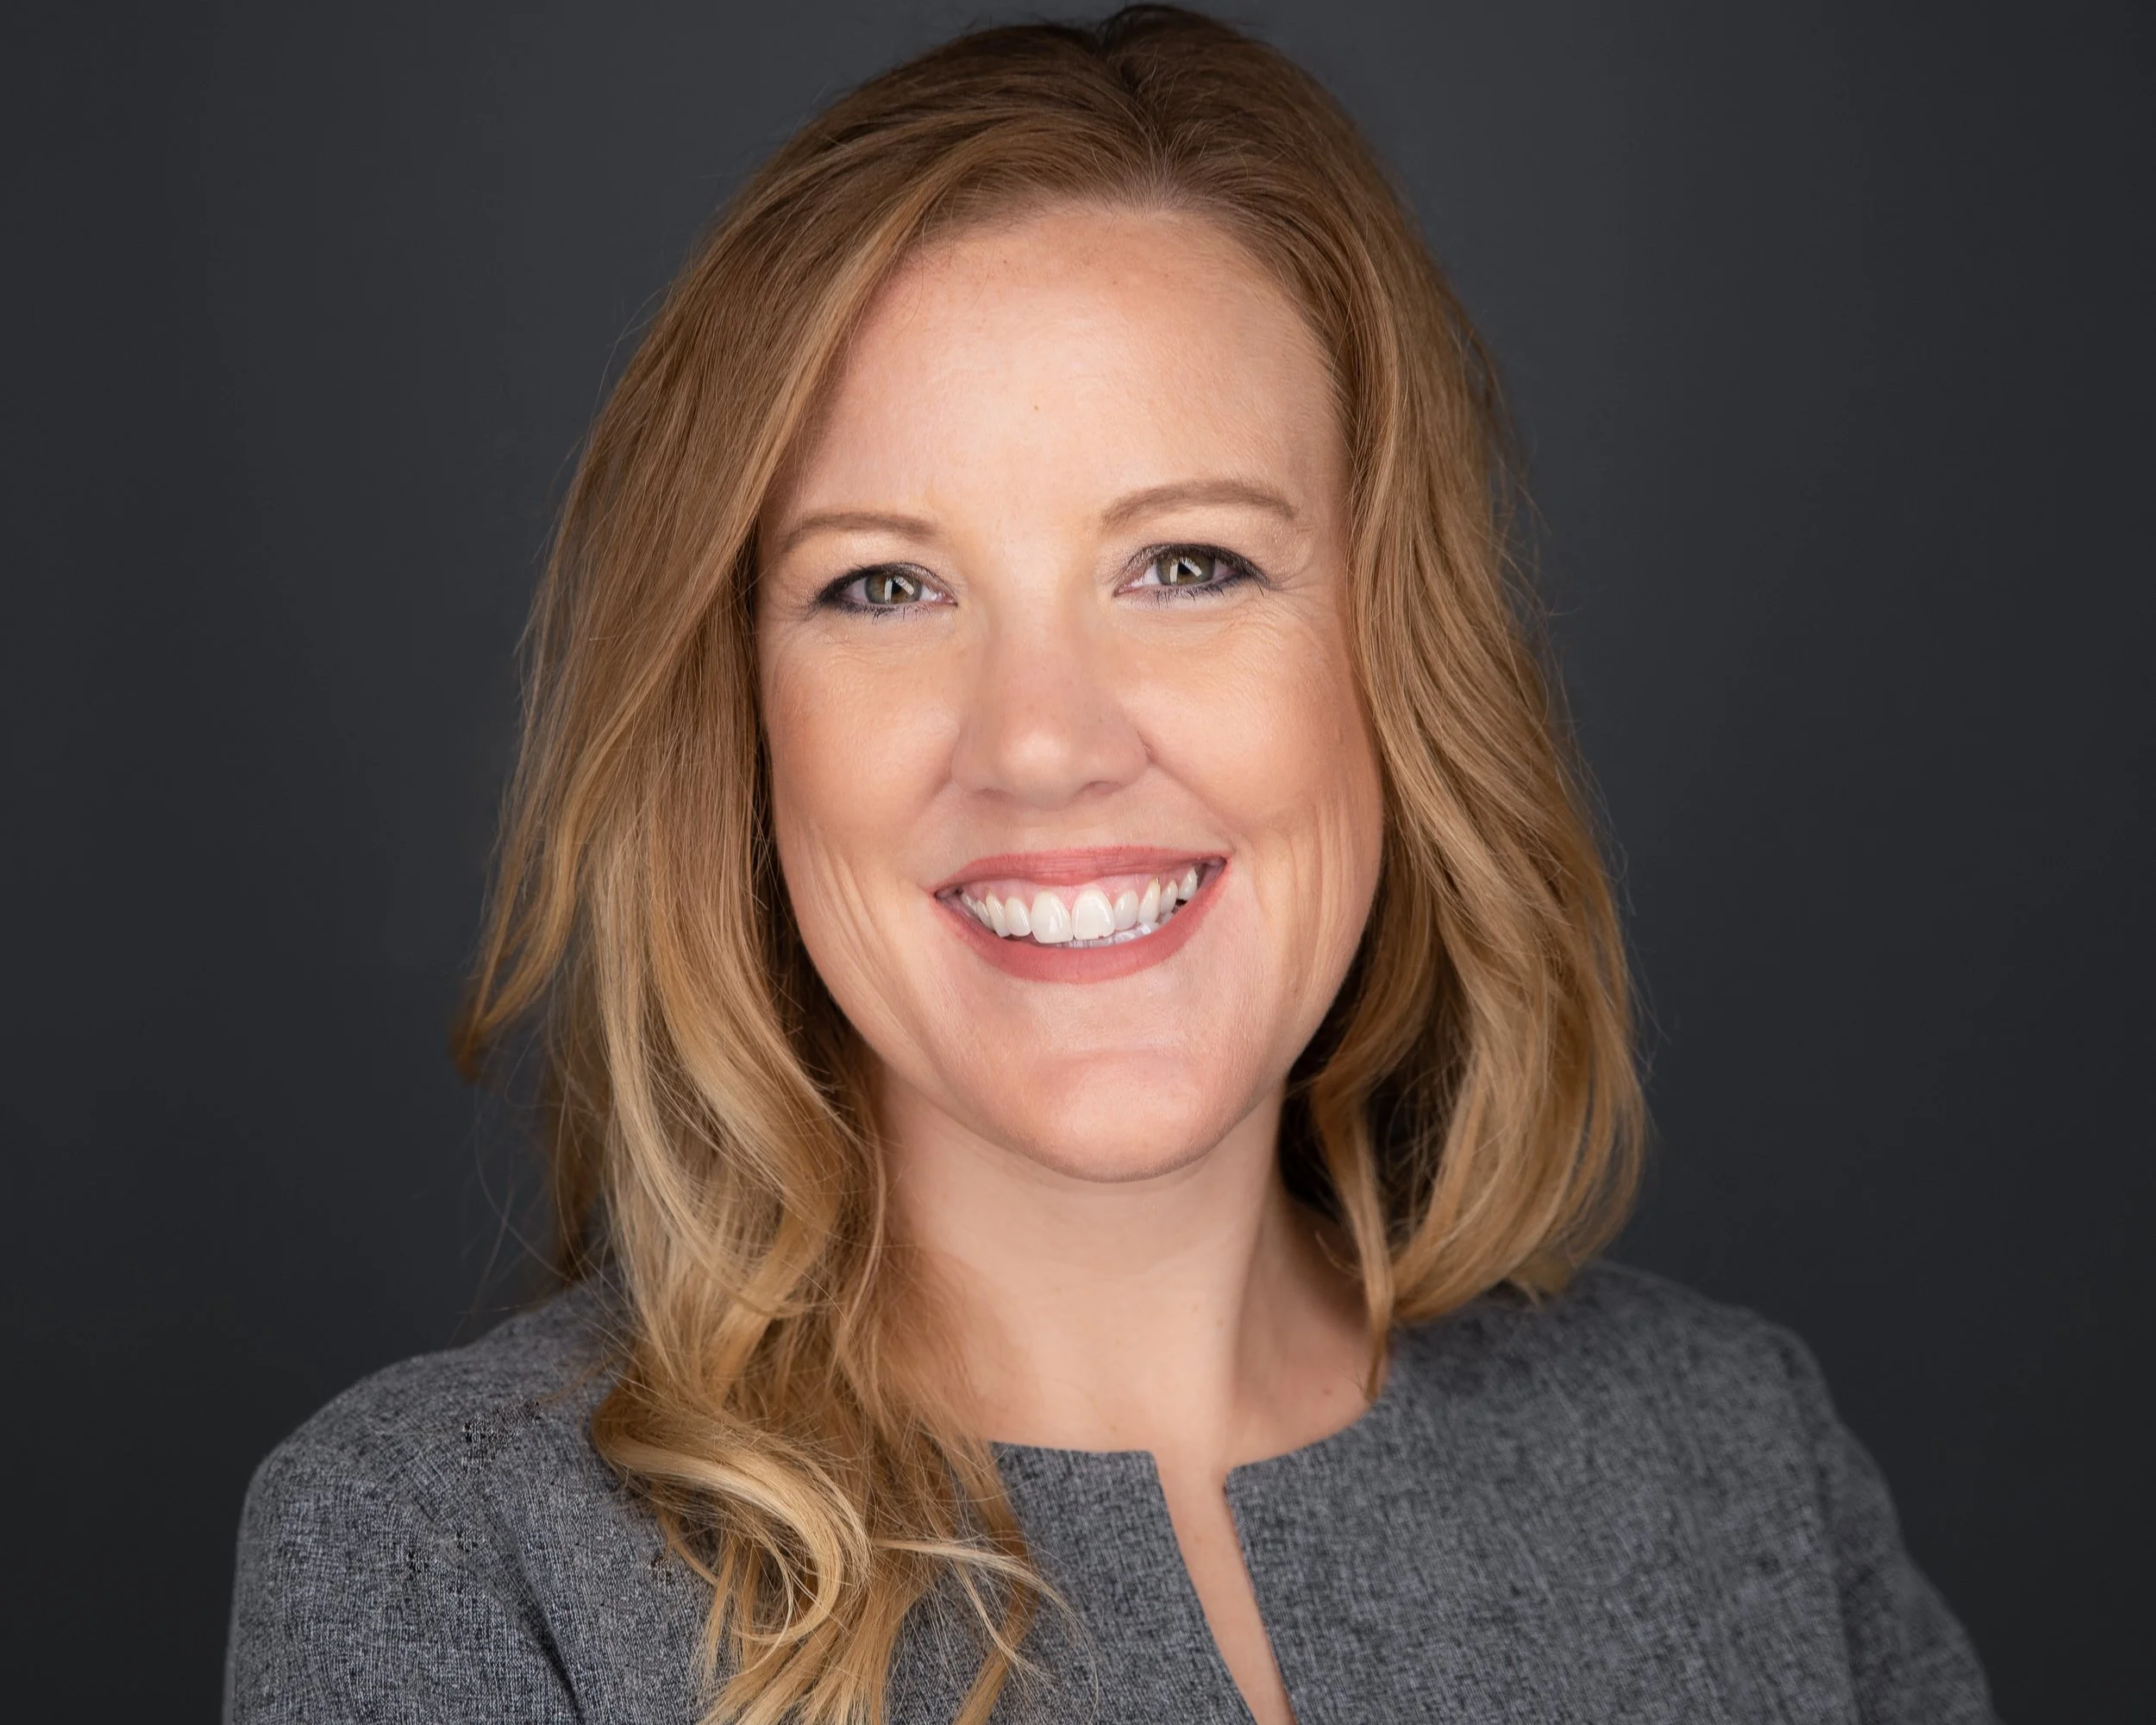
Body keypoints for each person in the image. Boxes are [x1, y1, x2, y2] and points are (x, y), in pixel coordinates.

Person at [222, 9, 1995, 1722]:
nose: (1045, 739)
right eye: (884, 586)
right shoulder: (455, 1558)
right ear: (741, 727)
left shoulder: (1730, 1459)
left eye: (1187, 564)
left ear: (1394, 658)